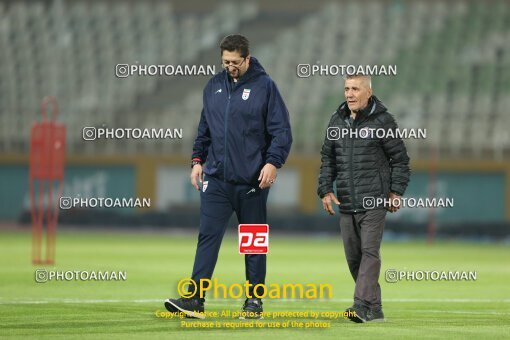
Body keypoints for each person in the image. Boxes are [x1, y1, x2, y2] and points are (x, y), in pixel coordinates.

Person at [164, 34, 292, 319]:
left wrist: (273, 163)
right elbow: (204, 130)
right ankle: (195, 299)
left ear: (247, 58)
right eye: (225, 62)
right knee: (207, 237)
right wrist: (197, 161)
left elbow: (282, 131)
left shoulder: (266, 87)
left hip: (251, 182)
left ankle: (254, 301)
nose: (230, 67)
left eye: (235, 62)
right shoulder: (213, 86)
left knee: (253, 241)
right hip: (216, 180)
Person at [317, 74, 410, 323]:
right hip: (347, 202)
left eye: (355, 89)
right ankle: (375, 308)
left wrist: (396, 192)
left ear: (368, 92)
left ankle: (360, 306)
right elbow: (328, 159)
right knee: (354, 258)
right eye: (346, 89)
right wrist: (325, 189)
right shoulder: (336, 120)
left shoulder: (383, 121)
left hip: (374, 201)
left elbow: (400, 160)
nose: (349, 94)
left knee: (370, 252)